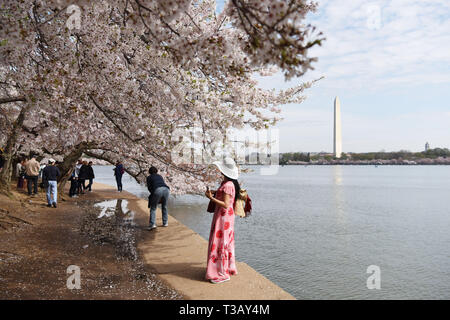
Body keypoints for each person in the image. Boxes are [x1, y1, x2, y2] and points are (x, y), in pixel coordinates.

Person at [204, 157, 240, 284]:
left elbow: (225, 204)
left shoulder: (228, 185)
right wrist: (214, 192)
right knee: (223, 241)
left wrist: (210, 198)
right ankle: (224, 268)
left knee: (220, 241)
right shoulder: (228, 183)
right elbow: (226, 198)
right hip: (224, 216)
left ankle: (221, 273)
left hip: (224, 217)